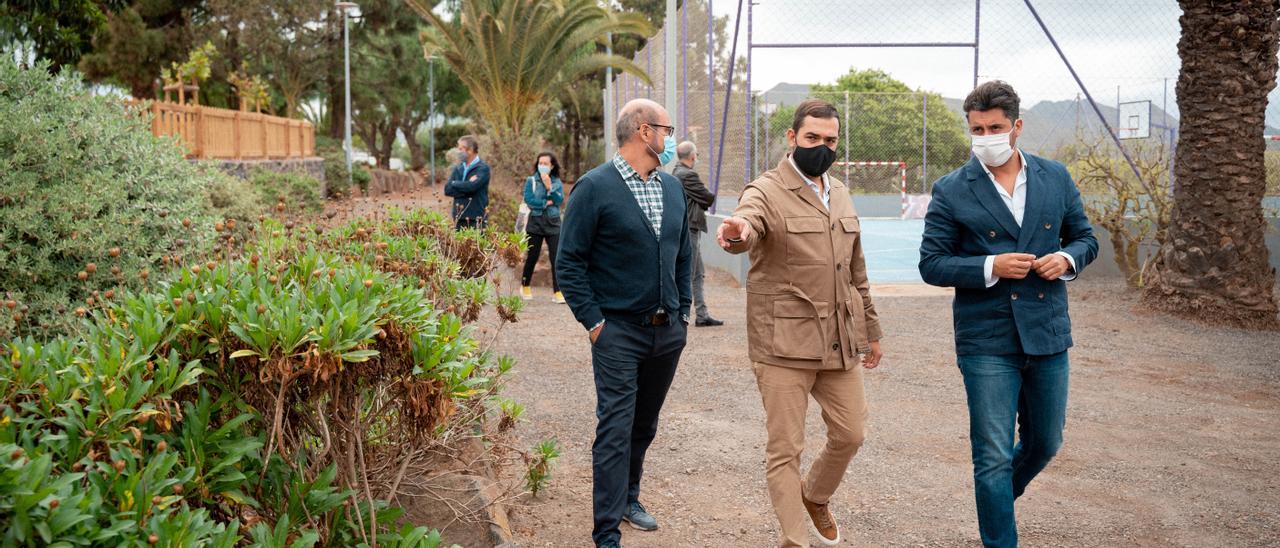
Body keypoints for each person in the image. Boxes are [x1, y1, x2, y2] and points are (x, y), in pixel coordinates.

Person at [918, 80, 1098, 548]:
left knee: (1045, 444)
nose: (985, 137)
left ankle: (994, 501)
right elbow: (932, 264)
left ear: (1016, 126)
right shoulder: (952, 188)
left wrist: (1068, 259)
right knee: (992, 458)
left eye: (995, 127)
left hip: (1047, 333)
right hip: (987, 339)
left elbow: (1085, 236)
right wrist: (989, 266)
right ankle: (999, 534)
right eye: (977, 129)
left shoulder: (1055, 176)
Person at [716, 99, 884, 548]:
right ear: (792, 138)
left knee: (852, 433)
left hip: (838, 340)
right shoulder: (766, 190)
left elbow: (856, 270)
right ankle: (795, 541)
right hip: (783, 343)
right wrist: (738, 232)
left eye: (830, 140)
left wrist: (871, 331)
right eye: (813, 138)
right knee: (785, 449)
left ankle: (815, 495)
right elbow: (747, 222)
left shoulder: (842, 193)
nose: (822, 147)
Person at [557, 98, 692, 548]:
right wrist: (595, 324)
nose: (670, 138)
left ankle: (630, 498)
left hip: (667, 332)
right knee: (615, 428)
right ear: (642, 130)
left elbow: (682, 255)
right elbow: (569, 263)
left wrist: (684, 312)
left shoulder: (672, 189)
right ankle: (607, 531)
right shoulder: (594, 188)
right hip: (617, 333)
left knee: (644, 425)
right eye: (666, 129)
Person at [671, 141, 723, 327]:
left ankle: (702, 314)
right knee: (688, 272)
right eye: (697, 155)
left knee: (697, 273)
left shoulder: (677, 172)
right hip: (690, 229)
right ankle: (677, 315)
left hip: (690, 227)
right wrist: (704, 198)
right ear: (692, 156)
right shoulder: (687, 174)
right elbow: (708, 197)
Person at [520, 152, 566, 303]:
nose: (543, 166)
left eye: (546, 164)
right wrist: (545, 203)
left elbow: (559, 199)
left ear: (552, 166)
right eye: (541, 163)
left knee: (556, 258)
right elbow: (529, 199)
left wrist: (549, 187)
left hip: (553, 222)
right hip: (535, 222)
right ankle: (525, 285)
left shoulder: (556, 182)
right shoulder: (531, 180)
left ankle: (558, 291)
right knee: (532, 256)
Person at [443, 135, 490, 230]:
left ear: (470, 150)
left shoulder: (483, 168)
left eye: (461, 149)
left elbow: (472, 187)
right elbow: (447, 190)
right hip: (459, 217)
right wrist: (465, 186)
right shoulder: (458, 167)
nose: (458, 152)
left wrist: (454, 183)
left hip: (476, 217)